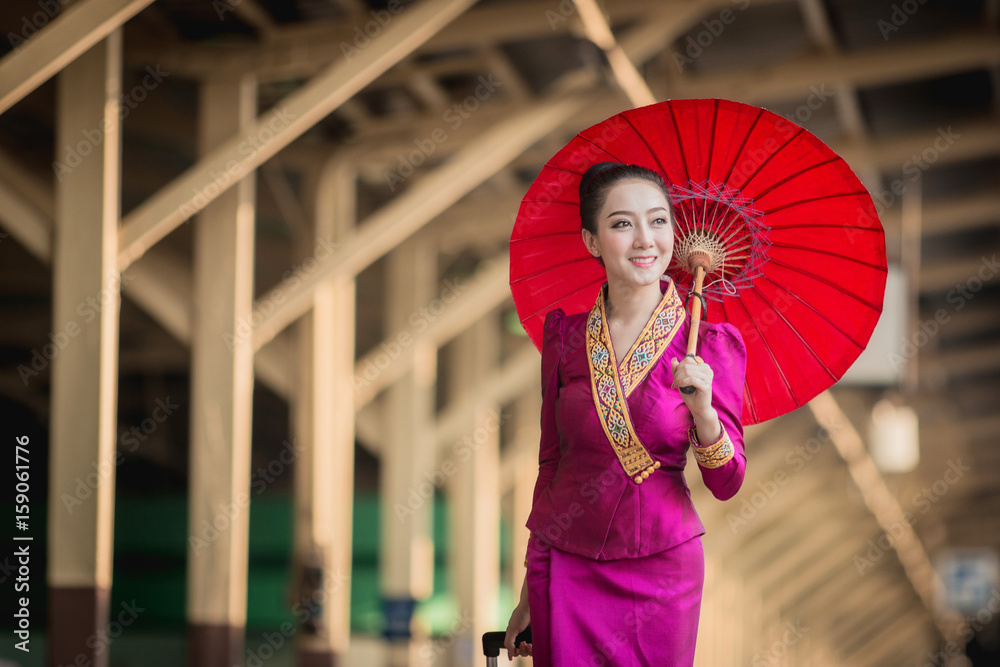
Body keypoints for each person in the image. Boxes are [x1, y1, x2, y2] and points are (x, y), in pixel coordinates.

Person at [503, 162, 748, 665]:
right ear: (592, 242)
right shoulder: (566, 338)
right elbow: (552, 463)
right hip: (564, 561)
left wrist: (703, 409)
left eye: (658, 221)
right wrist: (530, 585)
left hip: (662, 564)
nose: (645, 240)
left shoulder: (707, 346)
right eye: (621, 224)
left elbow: (727, 482)